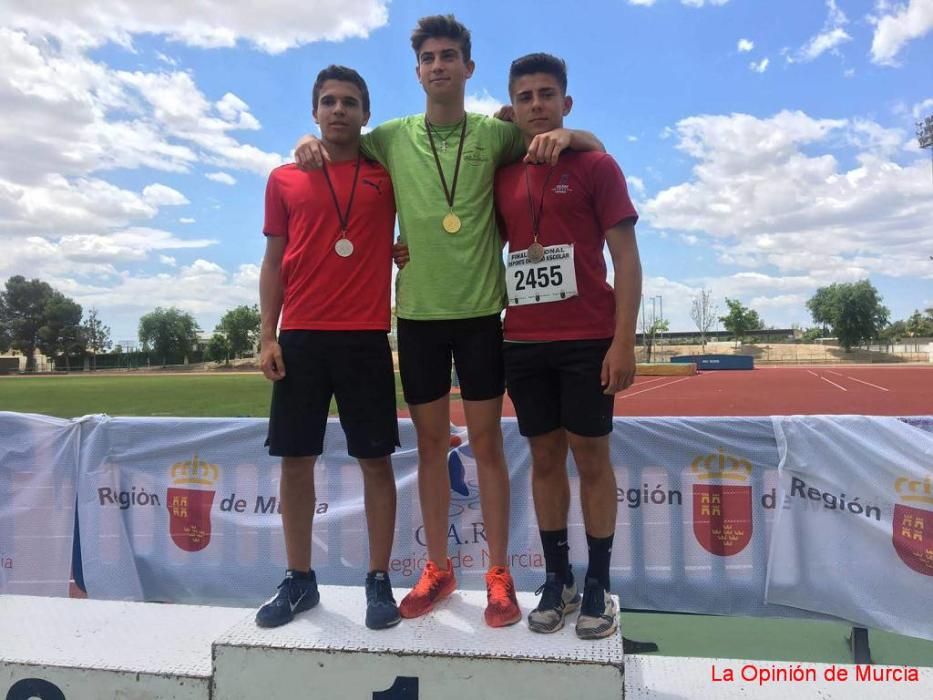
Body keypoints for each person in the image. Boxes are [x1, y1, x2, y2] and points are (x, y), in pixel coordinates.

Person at [294, 15, 604, 628]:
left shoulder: (497, 134)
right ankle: (437, 567)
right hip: (418, 317)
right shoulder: (387, 137)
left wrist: (571, 138)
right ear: (417, 72)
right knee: (432, 447)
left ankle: (498, 575)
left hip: (484, 313)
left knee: (487, 445)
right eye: (429, 57)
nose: (439, 65)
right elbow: (338, 145)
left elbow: (574, 139)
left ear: (468, 67)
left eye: (450, 56)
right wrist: (302, 147)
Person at [495, 53, 641, 639]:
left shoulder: (596, 164)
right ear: (512, 105)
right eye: (525, 95)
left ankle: (600, 580)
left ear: (566, 103)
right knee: (546, 459)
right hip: (523, 341)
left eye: (547, 94)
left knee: (592, 458)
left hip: (587, 337)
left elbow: (626, 258)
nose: (537, 104)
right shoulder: (501, 169)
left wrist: (622, 342)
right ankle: (559, 578)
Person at [255, 65, 401, 631]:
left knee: (376, 462)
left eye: (350, 102)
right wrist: (268, 334)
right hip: (301, 337)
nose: (339, 110)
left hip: (365, 336)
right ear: (314, 112)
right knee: (296, 461)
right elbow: (274, 263)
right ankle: (299, 579)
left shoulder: (387, 175)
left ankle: (379, 579)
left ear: (366, 114)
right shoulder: (284, 178)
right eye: (329, 102)